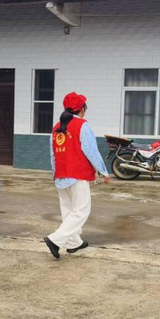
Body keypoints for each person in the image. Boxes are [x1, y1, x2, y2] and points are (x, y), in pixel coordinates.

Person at [43, 92, 110, 259]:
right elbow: (91, 150)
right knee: (81, 211)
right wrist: (103, 171)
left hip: (61, 174)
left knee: (68, 211)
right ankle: (55, 240)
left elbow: (53, 154)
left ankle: (74, 243)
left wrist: (55, 173)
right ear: (82, 109)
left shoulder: (56, 127)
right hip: (77, 174)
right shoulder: (82, 125)